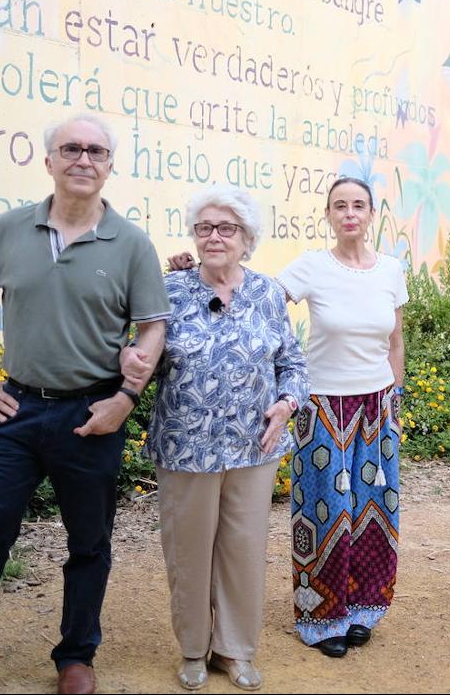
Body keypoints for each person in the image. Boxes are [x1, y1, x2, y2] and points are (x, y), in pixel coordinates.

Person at [0, 115, 170, 695]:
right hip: (17, 411)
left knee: (89, 544)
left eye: (96, 151)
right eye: (71, 148)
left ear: (110, 166)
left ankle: (76, 656)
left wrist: (126, 397)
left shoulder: (132, 243)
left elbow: (153, 326)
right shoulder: (9, 230)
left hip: (92, 416)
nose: (84, 159)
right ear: (49, 160)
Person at [125, 188, 309, 691]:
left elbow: (292, 363)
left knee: (243, 550)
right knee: (188, 553)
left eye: (226, 228)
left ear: (247, 239)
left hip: (254, 445)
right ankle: (192, 649)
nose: (213, 237)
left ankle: (235, 650)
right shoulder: (169, 289)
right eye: (204, 228)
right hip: (185, 445)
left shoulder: (268, 293)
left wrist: (286, 404)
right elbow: (142, 356)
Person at [276, 178, 407, 657]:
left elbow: (395, 342)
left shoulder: (390, 269)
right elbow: (261, 302)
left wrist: (394, 403)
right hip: (322, 407)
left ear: (371, 213)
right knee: (323, 511)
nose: (349, 213)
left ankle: (362, 608)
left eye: (358, 205)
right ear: (329, 215)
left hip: (377, 407)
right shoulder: (311, 267)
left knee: (375, 509)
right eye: (339, 206)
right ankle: (321, 614)